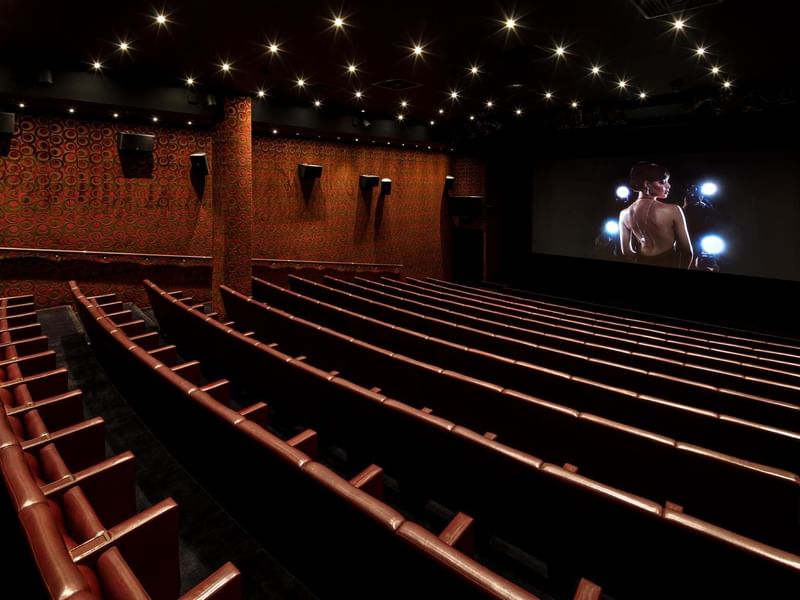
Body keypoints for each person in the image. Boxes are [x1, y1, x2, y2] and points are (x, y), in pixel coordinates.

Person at [618, 162, 693, 268]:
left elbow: (627, 252)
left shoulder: (624, 214)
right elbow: (687, 252)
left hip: (642, 259)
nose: (669, 186)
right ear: (647, 184)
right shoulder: (673, 210)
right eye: (662, 182)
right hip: (669, 262)